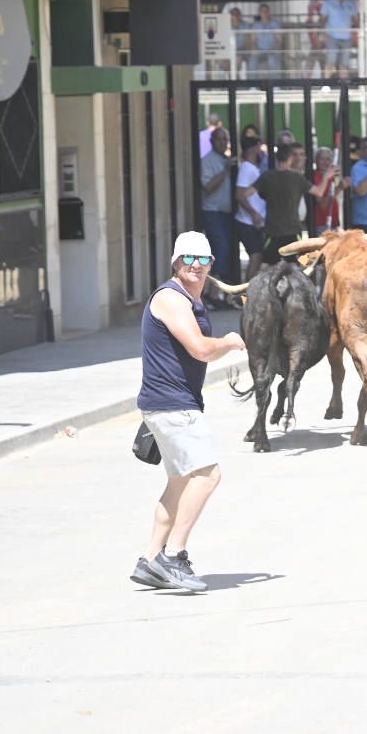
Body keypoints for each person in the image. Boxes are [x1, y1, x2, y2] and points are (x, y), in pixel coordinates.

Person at [131, 231, 245, 593]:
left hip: (171, 402)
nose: (195, 266)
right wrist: (227, 342)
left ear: (211, 265)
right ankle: (173, 556)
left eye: (202, 260)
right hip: (171, 403)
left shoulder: (189, 299)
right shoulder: (171, 299)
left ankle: (150, 560)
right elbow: (199, 349)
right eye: (188, 259)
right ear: (176, 263)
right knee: (207, 476)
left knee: (180, 483)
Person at [255, 142, 330, 262]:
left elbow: (245, 193)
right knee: (293, 266)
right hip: (288, 229)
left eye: (302, 154)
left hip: (282, 229)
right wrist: (326, 177)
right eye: (295, 155)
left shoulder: (270, 176)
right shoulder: (294, 178)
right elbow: (319, 192)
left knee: (274, 265)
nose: (299, 158)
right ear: (290, 158)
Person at [198, 127, 237, 302]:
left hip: (228, 214)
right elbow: (207, 187)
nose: (224, 143)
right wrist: (225, 171)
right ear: (212, 141)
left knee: (228, 252)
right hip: (213, 212)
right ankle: (211, 294)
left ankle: (219, 294)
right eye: (220, 139)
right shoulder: (207, 162)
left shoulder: (228, 160)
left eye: (225, 139)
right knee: (220, 250)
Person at [233, 136, 268, 280]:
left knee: (258, 257)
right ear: (255, 148)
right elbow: (240, 195)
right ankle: (245, 295)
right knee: (256, 257)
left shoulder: (251, 168)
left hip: (253, 221)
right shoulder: (247, 168)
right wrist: (253, 213)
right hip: (248, 222)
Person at [317, 0, 359, 79]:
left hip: (347, 37)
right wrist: (323, 32)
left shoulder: (351, 3)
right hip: (332, 37)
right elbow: (322, 19)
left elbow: (356, 19)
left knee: (344, 63)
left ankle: (344, 85)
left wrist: (358, 31)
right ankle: (326, 84)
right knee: (330, 61)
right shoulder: (328, 3)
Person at [310, 145, 341, 231]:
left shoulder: (331, 177)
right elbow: (323, 204)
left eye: (328, 159)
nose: (325, 162)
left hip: (333, 222)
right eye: (322, 159)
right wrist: (340, 188)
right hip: (322, 224)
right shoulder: (314, 177)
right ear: (316, 160)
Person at [246, 2, 282, 75]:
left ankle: (276, 85)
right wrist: (255, 50)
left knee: (273, 60)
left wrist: (275, 49)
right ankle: (253, 86)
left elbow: (279, 40)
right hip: (259, 51)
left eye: (266, 11)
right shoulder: (256, 25)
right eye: (262, 11)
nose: (265, 13)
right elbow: (252, 41)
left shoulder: (275, 24)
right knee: (252, 61)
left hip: (272, 50)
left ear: (269, 12)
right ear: (260, 13)